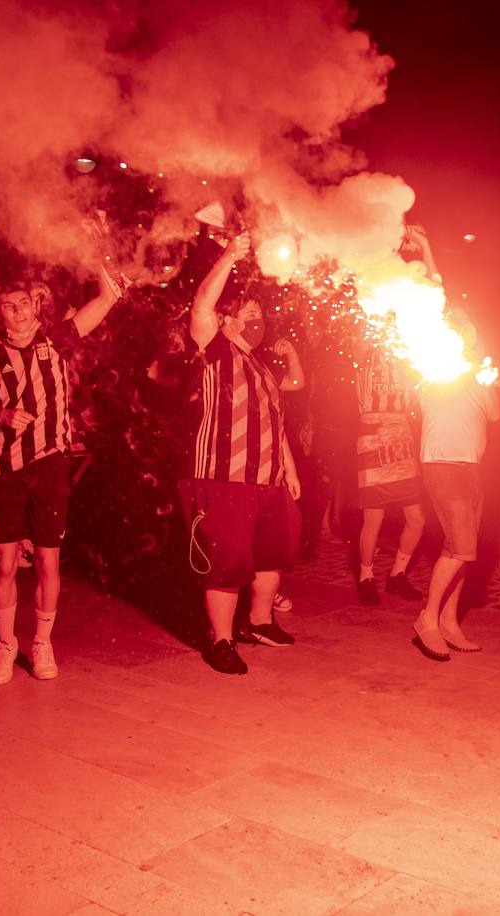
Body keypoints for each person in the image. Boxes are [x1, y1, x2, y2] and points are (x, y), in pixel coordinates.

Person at [0, 269, 122, 685]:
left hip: (51, 464)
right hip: (4, 467)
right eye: (7, 305)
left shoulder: (59, 337)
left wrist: (100, 253)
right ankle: (5, 646)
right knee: (3, 563)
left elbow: (106, 299)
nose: (17, 312)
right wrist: (0, 415)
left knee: (48, 559)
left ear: (35, 305)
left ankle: (42, 643)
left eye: (22, 303)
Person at [180, 233, 301, 675]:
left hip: (268, 479)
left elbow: (276, 422)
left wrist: (287, 466)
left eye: (260, 314)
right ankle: (221, 640)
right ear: (226, 321)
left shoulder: (263, 366)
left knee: (273, 553)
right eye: (248, 314)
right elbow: (200, 304)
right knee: (227, 562)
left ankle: (260, 622)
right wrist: (231, 254)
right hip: (223, 476)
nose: (257, 320)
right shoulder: (215, 350)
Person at [411, 309, 500, 660]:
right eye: (458, 330)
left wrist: (483, 378)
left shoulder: (476, 375)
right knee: (461, 547)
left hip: (472, 467)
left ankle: (449, 620)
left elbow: (493, 413)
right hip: (441, 464)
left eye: (469, 331)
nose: (466, 335)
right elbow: (422, 395)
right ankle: (427, 619)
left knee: (463, 550)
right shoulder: (432, 368)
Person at [352, 343, 426, 606]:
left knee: (417, 519)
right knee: (374, 518)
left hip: (402, 440)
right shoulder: (366, 357)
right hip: (373, 440)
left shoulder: (407, 361)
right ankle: (366, 576)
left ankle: (397, 575)